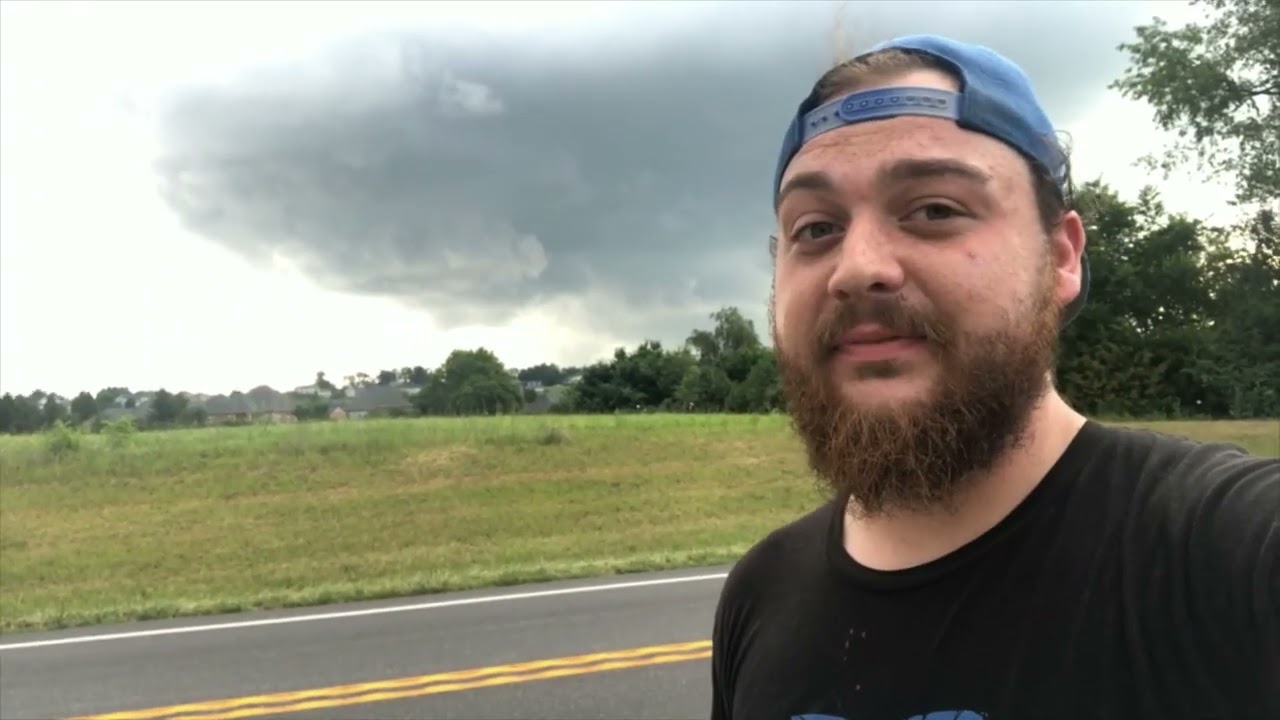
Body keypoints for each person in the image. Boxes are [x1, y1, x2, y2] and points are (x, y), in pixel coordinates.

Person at [709, 33, 1279, 720]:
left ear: (1061, 256)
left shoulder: (1224, 551)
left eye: (935, 210)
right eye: (815, 228)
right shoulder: (759, 593)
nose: (857, 268)